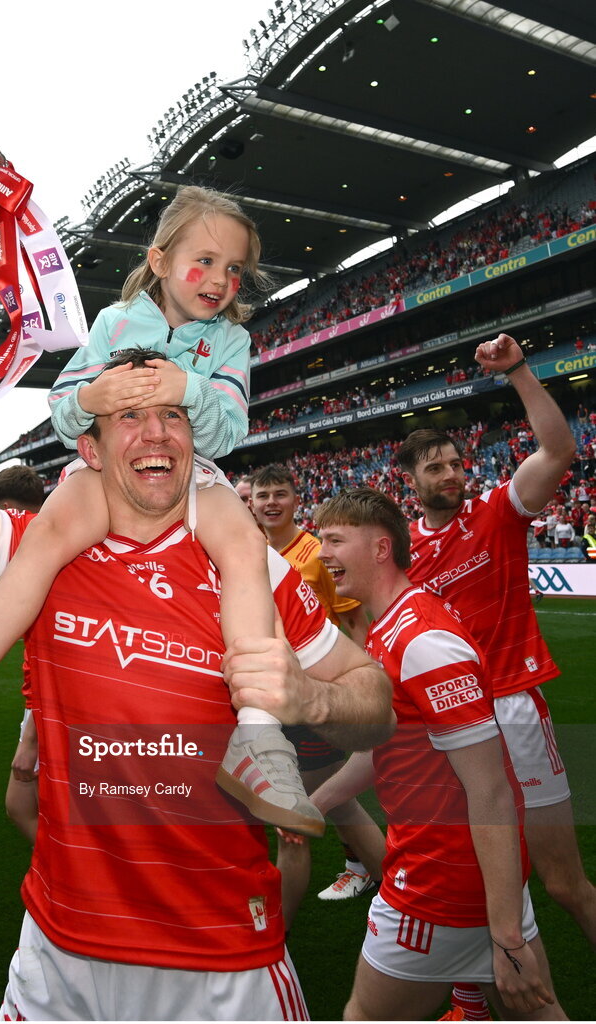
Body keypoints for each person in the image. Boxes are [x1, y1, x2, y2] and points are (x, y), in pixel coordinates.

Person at [0, 331, 394, 1020]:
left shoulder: (251, 569)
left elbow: (375, 703)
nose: (155, 432)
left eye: (172, 414)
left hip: (221, 955)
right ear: (90, 449)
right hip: (60, 949)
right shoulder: (40, 550)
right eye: (129, 416)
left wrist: (311, 695)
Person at [0, 186, 325, 838]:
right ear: (161, 258)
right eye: (203, 261)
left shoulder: (231, 342)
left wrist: (187, 387)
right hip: (106, 472)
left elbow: (228, 433)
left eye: (234, 269)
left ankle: (258, 742)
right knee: (43, 544)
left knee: (244, 549)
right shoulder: (114, 322)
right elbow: (64, 414)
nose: (220, 280)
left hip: (191, 476)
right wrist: (94, 392)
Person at [311, 488, 564, 1021]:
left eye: (333, 539)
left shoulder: (422, 641)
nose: (320, 552)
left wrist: (507, 937)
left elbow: (490, 789)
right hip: (455, 873)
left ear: (381, 549)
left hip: (440, 882)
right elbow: (385, 749)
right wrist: (317, 804)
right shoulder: (392, 627)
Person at [397, 333, 593, 1017]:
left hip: (512, 712)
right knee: (473, 875)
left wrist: (517, 372)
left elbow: (560, 452)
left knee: (566, 884)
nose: (451, 473)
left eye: (456, 462)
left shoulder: (497, 513)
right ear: (412, 481)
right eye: (436, 467)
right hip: (447, 729)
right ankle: (472, 999)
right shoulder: (402, 554)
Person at [248, 464, 384, 920]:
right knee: (335, 800)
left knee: (295, 817)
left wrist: (356, 689)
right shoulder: (247, 550)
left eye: (279, 493)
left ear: (294, 498)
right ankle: (402, 890)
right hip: (272, 701)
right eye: (262, 494)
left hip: (312, 701)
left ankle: (276, 933)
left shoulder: (314, 552)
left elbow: (354, 621)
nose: (270, 502)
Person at [0, 466, 45, 844]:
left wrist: (30, 741)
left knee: (22, 807)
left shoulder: (37, 553)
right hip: (47, 702)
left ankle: (72, 885)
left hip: (48, 706)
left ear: (8, 510)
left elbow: (57, 659)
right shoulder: (57, 540)